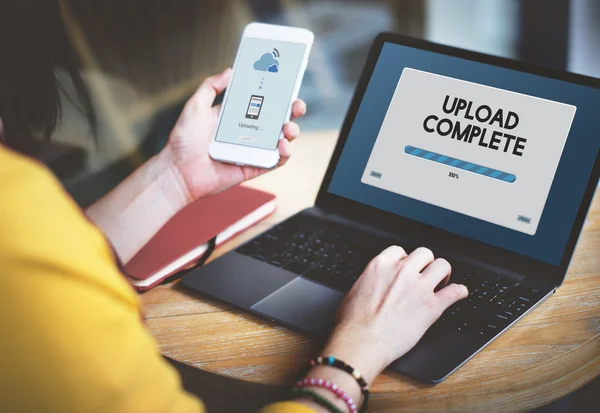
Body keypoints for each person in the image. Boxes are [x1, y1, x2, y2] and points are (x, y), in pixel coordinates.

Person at [0, 2, 468, 412]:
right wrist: (361, 345)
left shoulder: (21, 207)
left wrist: (176, 176)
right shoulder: (17, 215)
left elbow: (53, 252)